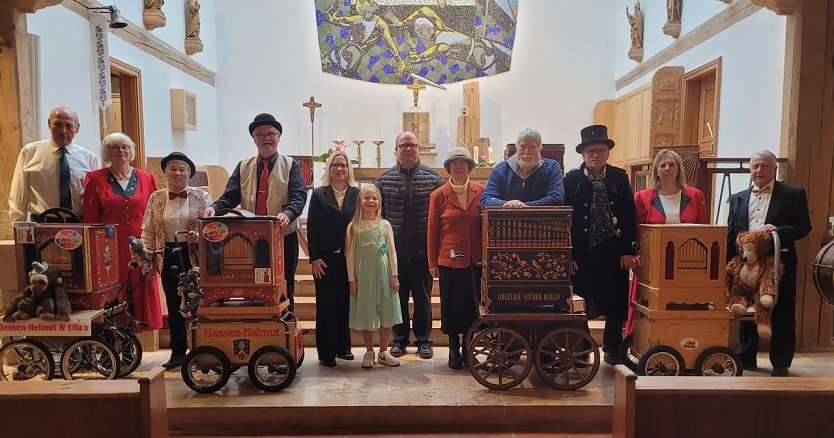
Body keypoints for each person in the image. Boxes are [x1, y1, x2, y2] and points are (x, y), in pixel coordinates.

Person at [203, 113, 308, 312]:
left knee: (285, 285)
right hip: (250, 237)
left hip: (282, 236)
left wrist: (288, 214)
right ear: (254, 138)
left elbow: (299, 196)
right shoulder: (243, 166)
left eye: (271, 134)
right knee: (253, 284)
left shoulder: (290, 165)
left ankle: (286, 326)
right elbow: (230, 197)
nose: (266, 138)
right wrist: (213, 207)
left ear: (279, 137)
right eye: (260, 134)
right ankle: (259, 326)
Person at [727, 150, 811, 377]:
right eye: (755, 166)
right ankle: (746, 357)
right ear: (750, 169)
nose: (759, 170)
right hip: (746, 263)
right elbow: (732, 232)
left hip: (779, 261)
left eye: (764, 166)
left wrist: (779, 231)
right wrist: (728, 265)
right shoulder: (738, 197)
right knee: (747, 307)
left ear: (774, 168)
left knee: (781, 310)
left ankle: (781, 362)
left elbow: (804, 226)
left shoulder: (794, 194)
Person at [564, 125, 639, 366]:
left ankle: (612, 348)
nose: (595, 155)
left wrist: (629, 249)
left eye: (600, 150)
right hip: (583, 253)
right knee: (581, 302)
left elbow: (629, 215)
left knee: (616, 303)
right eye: (590, 151)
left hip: (613, 252)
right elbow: (566, 219)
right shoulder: (572, 180)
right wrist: (570, 254)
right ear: (583, 155)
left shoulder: (619, 177)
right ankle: (582, 349)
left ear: (607, 153)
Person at [375, 131, 444, 359]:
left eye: (412, 145)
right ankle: (400, 340)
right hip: (395, 254)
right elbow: (378, 220)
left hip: (422, 253)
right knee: (398, 299)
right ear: (396, 150)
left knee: (423, 299)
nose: (407, 149)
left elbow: (440, 219)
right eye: (403, 145)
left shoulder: (434, 179)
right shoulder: (383, 181)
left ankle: (424, 340)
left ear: (418, 149)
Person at [83, 133, 161, 332]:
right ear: (107, 152)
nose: (121, 151)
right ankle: (115, 338)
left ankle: (138, 336)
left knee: (140, 288)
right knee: (115, 292)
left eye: (125, 147)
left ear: (131, 151)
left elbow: (155, 214)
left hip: (141, 245)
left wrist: (154, 245)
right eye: (115, 147)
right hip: (110, 248)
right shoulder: (95, 178)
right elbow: (90, 219)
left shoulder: (147, 178)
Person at [142, 152, 211, 369]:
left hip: (195, 255)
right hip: (168, 253)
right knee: (174, 305)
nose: (178, 173)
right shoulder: (156, 198)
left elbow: (211, 228)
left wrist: (198, 237)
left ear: (189, 174)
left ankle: (203, 351)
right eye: (173, 169)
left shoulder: (202, 196)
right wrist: (147, 254)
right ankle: (178, 352)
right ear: (165, 172)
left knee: (199, 302)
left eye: (183, 169)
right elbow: (148, 230)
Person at [428, 147, 483, 369]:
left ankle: (468, 347)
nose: (458, 166)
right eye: (454, 163)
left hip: (475, 259)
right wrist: (432, 262)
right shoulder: (438, 195)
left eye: (463, 162)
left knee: (473, 305)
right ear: (449, 167)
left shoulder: (481, 191)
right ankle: (453, 347)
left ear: (469, 166)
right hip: (449, 260)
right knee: (451, 306)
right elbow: (432, 230)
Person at [307, 150, 359, 367]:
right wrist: (314, 258)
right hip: (326, 259)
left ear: (348, 170)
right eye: (335, 165)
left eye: (343, 165)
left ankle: (343, 347)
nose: (339, 169)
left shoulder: (356, 194)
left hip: (348, 259)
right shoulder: (319, 194)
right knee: (326, 306)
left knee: (344, 304)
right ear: (329, 169)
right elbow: (312, 227)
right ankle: (326, 353)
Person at [9, 106, 99, 222]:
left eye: (69, 125)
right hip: (42, 223)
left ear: (77, 128)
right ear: (49, 124)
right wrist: (19, 227)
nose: (63, 131)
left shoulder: (89, 158)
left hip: (77, 225)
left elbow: (94, 200)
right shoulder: (30, 152)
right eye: (58, 124)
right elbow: (19, 194)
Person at [346, 185, 402, 369]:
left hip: (383, 273)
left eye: (374, 198)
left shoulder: (385, 225)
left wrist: (394, 275)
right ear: (360, 201)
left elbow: (392, 252)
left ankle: (384, 351)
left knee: (386, 311)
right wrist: (351, 280)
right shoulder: (354, 226)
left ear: (379, 203)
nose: (370, 201)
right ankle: (369, 350)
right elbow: (350, 255)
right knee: (366, 309)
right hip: (364, 275)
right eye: (367, 198)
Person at [481, 128, 565, 208]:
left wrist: (525, 207)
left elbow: (557, 198)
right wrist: (505, 204)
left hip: (542, 221)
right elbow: (486, 200)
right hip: (507, 221)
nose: (526, 152)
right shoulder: (500, 170)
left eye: (532, 147)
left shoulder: (551, 168)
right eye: (523, 147)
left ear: (539, 149)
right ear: (517, 148)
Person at [634, 149, 708, 225]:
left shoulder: (695, 195)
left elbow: (703, 229)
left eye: (671, 165)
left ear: (679, 169)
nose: (667, 168)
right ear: (656, 172)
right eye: (662, 165)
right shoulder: (642, 198)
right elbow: (638, 230)